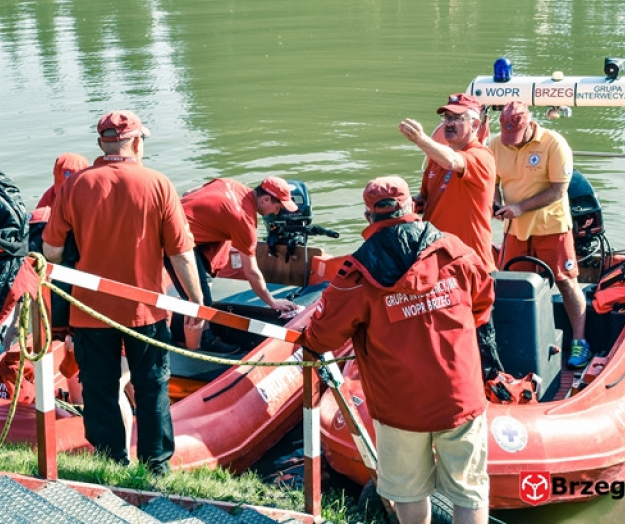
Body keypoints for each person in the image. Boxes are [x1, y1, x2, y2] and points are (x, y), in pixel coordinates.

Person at [302, 177, 493, 524]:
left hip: (400, 406)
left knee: (409, 493)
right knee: (469, 491)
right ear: (412, 206)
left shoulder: (357, 272)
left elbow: (321, 337)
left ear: (367, 215)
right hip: (459, 396)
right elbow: (483, 304)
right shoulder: (456, 251)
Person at [42, 109, 207, 474]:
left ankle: (111, 463)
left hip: (89, 311)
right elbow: (181, 253)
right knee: (152, 390)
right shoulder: (158, 184)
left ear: (102, 143)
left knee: (99, 392)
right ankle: (157, 467)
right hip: (145, 311)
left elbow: (51, 252)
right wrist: (197, 303)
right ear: (135, 142)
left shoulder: (73, 186)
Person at [489, 100, 588, 369]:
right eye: (508, 136)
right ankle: (509, 340)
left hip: (551, 226)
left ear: (530, 124)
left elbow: (558, 190)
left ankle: (579, 340)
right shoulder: (496, 144)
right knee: (509, 284)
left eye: (517, 137)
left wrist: (520, 207)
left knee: (567, 283)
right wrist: (497, 204)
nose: (513, 143)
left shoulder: (554, 144)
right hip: (515, 229)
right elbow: (491, 183)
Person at [171, 177, 303, 349]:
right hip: (173, 241)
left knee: (202, 286)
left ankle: (186, 333)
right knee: (200, 300)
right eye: (277, 208)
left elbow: (188, 194)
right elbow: (251, 272)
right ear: (265, 199)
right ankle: (199, 346)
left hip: (171, 222)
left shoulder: (229, 183)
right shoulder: (244, 221)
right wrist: (272, 302)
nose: (276, 213)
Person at [399, 93, 496, 272]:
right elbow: (425, 199)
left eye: (457, 118)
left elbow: (453, 161)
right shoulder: (437, 160)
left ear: (475, 124)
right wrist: (397, 206)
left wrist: (420, 139)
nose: (449, 123)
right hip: (437, 258)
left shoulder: (481, 156)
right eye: (447, 117)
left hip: (470, 262)